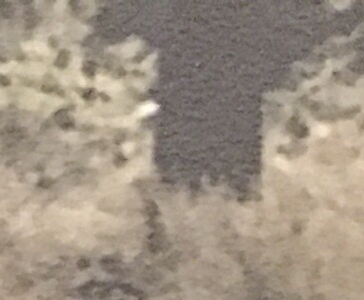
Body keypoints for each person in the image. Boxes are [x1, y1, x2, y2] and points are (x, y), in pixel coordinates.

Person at [95, 0, 337, 196]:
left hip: (196, 89)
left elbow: (112, 24)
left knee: (182, 195)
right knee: (229, 198)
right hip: (225, 89)